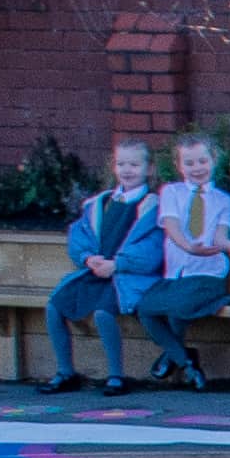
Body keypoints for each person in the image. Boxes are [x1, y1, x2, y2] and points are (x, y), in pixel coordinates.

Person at [124, 130, 230, 387]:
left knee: (179, 309)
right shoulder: (172, 192)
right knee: (145, 308)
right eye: (189, 163)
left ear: (213, 160)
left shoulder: (225, 201)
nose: (197, 168)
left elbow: (221, 236)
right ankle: (186, 359)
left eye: (202, 161)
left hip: (207, 273)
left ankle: (177, 359)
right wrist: (188, 247)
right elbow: (172, 226)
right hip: (177, 273)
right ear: (179, 166)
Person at [41, 142, 164, 392]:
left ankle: (116, 375)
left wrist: (118, 264)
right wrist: (87, 258)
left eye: (134, 164)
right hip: (95, 272)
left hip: (126, 277)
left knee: (103, 313)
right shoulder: (99, 204)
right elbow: (79, 235)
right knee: (55, 305)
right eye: (121, 164)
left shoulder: (152, 207)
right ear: (113, 166)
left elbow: (152, 250)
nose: (127, 170)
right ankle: (65, 371)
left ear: (149, 169)